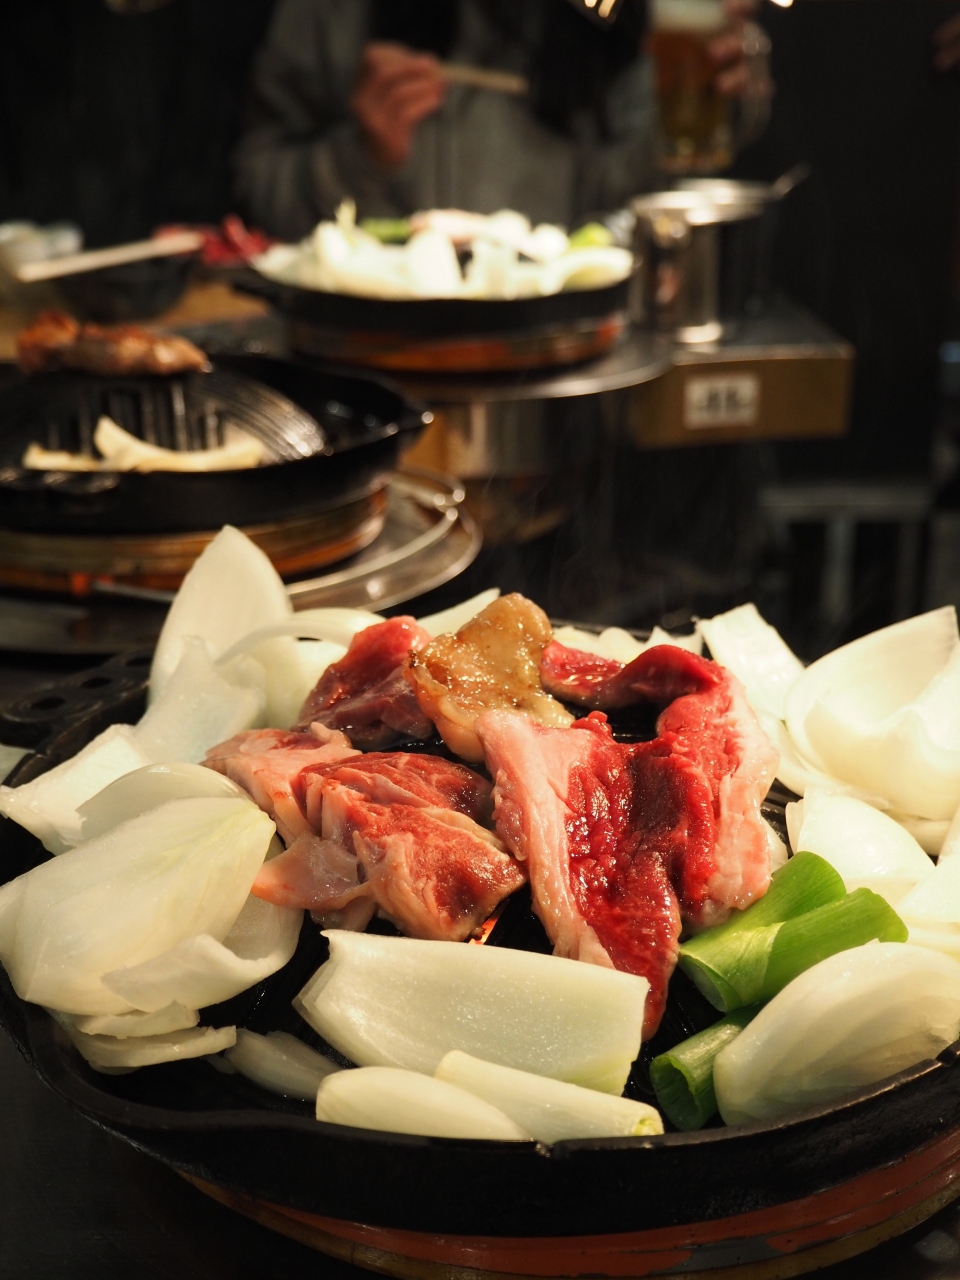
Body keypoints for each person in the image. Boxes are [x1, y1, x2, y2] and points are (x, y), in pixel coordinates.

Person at [235, 0, 763, 240]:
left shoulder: (618, 16)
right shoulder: (333, 14)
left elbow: (639, 209)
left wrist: (706, 113)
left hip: (572, 360)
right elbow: (252, 189)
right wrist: (359, 160)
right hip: (371, 357)